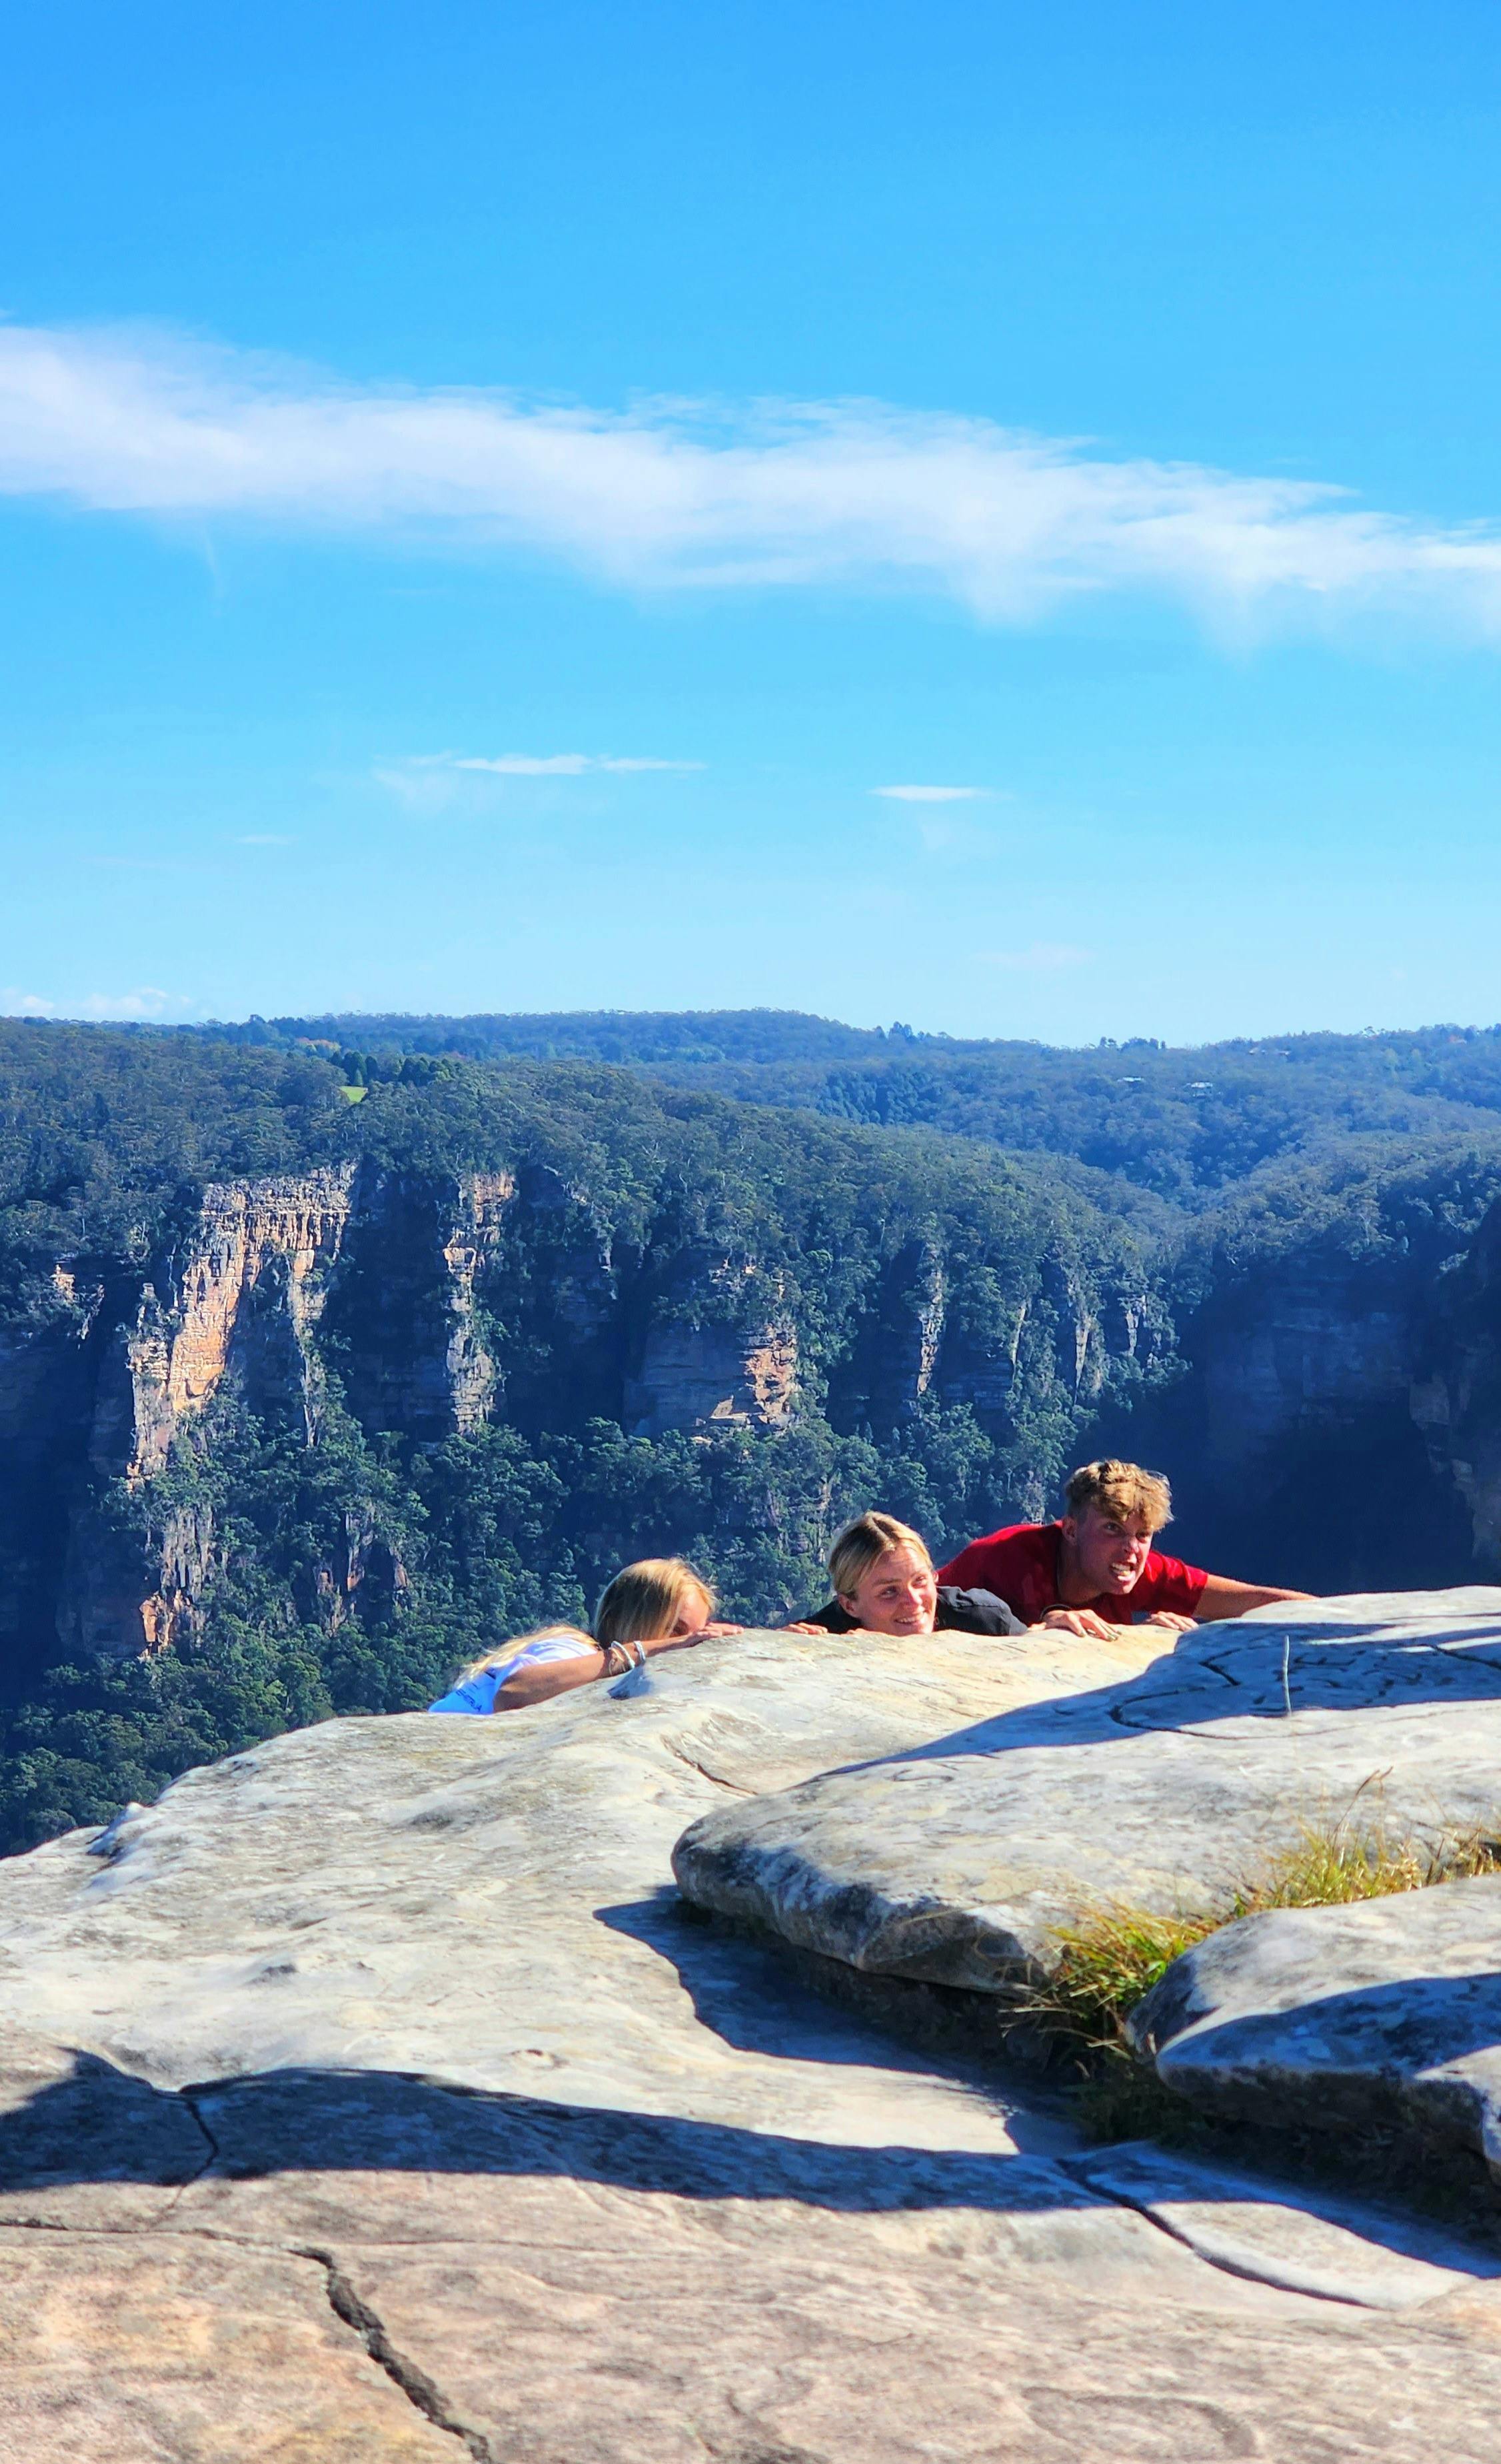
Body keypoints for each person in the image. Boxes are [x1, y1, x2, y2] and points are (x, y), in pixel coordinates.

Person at [937, 1458, 1312, 1638]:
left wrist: (1150, 1637)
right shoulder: (1005, 1559)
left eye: (1143, 1534)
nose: (1130, 1550)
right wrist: (1037, 1631)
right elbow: (912, 1610)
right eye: (1112, 1530)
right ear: (1070, 1530)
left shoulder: (1143, 1572)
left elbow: (1248, 1602)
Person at [427, 1558, 741, 1714]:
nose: (685, 1644)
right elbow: (513, 1694)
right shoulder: (573, 1650)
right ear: (639, 1619)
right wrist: (635, 1654)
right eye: (676, 1630)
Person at [789, 1512, 1025, 1640]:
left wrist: (1058, 1629)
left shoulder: (984, 1621)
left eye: (920, 1580)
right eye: (889, 1591)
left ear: (934, 1576)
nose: (914, 1601)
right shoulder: (821, 1641)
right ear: (850, 1605)